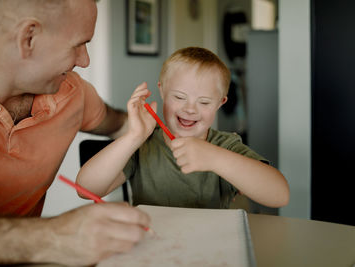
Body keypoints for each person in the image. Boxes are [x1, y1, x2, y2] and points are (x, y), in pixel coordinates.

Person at [0, 0, 150, 266]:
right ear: (29, 38)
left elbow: (121, 125)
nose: (85, 60)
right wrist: (52, 237)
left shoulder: (73, 93)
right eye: (79, 44)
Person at [76, 47, 290, 209]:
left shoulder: (225, 146)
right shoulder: (144, 145)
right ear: (162, 91)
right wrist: (134, 136)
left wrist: (216, 159)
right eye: (179, 97)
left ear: (220, 103)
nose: (190, 109)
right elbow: (85, 190)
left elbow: (280, 196)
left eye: (204, 102)